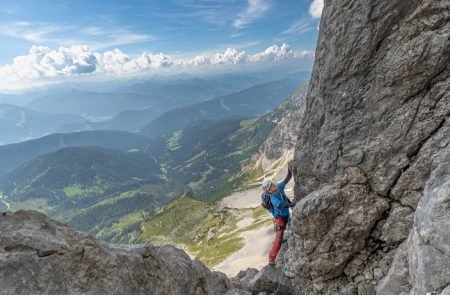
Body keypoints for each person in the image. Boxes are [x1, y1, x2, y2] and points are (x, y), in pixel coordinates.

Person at [261, 160, 296, 266]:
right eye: (270, 186)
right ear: (269, 191)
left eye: (272, 184)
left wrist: (290, 168)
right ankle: (271, 259)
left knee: (293, 230)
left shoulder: (279, 188)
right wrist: (294, 204)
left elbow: (287, 178)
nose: (272, 186)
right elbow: (283, 205)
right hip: (280, 219)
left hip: (286, 216)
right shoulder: (273, 199)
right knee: (278, 239)